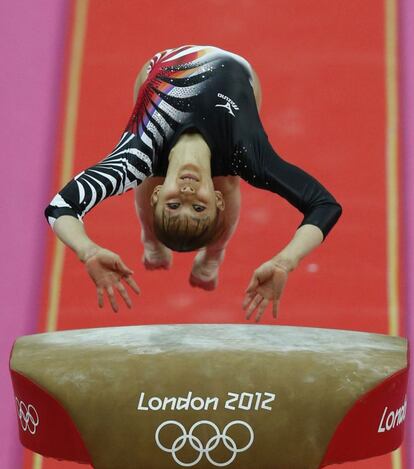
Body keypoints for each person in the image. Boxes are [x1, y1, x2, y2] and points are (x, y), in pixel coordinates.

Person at [45, 44, 342, 322]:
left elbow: (60, 207)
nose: (187, 193)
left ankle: (194, 249)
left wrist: (89, 252)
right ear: (217, 203)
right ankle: (176, 243)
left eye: (174, 204)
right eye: (199, 207)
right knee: (228, 177)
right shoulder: (247, 155)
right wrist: (284, 262)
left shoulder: (135, 156)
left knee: (146, 172)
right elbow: (325, 205)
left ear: (159, 196)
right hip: (239, 72)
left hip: (160, 65)